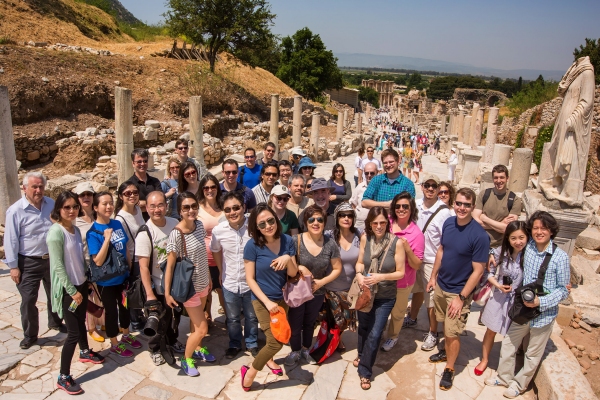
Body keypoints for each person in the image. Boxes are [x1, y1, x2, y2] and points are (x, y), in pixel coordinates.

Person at [486, 212, 570, 398]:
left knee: (532, 353)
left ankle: (519, 384)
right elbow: (508, 245)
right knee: (508, 343)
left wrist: (541, 301)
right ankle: (504, 377)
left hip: (544, 313)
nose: (539, 232)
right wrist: (492, 252)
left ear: (551, 230)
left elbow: (564, 290)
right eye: (536, 228)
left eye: (544, 228)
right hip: (523, 308)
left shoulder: (560, 257)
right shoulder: (529, 246)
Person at [426, 188, 489, 391]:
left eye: (467, 205)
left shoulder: (480, 235)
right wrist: (433, 277)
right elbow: (442, 251)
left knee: (452, 333)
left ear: (473, 207)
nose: (462, 208)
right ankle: (445, 351)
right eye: (459, 203)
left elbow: (478, 271)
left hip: (458, 291)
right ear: (454, 203)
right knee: (443, 322)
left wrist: (461, 298)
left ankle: (450, 368)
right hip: (441, 284)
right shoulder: (449, 223)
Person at [48, 192, 105, 394]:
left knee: (81, 322)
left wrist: (85, 282)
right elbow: (57, 266)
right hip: (68, 290)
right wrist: (72, 291)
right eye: (67, 207)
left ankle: (84, 351)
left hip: (80, 285)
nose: (72, 211)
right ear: (59, 209)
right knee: (72, 333)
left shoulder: (73, 229)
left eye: (74, 207)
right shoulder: (56, 233)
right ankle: (63, 376)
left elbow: (77, 260)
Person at [241, 204, 298, 391]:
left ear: (276, 219)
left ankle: (268, 360)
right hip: (262, 301)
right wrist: (267, 302)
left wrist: (288, 258)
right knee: (276, 341)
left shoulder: (287, 240)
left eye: (271, 220)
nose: (268, 226)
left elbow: (293, 273)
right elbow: (250, 279)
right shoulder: (252, 246)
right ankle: (249, 372)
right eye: (262, 224)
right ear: (256, 227)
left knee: (274, 336)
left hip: (282, 299)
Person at [5, 172, 65, 349]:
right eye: (34, 187)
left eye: (41, 186)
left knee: (55, 294)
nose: (38, 190)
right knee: (28, 300)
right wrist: (13, 267)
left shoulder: (51, 204)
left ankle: (55, 322)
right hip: (28, 262)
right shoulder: (15, 211)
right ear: (25, 188)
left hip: (51, 259)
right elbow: (11, 240)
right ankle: (30, 334)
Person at [353, 207, 406, 390]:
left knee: (375, 334)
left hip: (385, 296)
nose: (378, 226)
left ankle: (365, 371)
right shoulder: (365, 239)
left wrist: (380, 277)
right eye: (375, 222)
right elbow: (360, 262)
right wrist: (360, 275)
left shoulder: (396, 243)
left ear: (387, 223)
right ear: (369, 223)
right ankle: (361, 355)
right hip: (366, 292)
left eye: (382, 222)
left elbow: (401, 272)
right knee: (364, 328)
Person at [165, 192, 214, 377]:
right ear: (180, 210)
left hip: (203, 283)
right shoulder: (176, 235)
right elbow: (170, 266)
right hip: (189, 288)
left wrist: (208, 278)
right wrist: (168, 293)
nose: (191, 210)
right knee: (202, 328)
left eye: (194, 206)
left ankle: (198, 348)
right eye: (186, 207)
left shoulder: (200, 226)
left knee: (196, 324)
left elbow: (202, 255)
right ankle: (186, 359)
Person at [285, 205, 342, 366]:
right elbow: (290, 264)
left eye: (319, 219)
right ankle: (295, 350)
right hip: (298, 290)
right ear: (306, 222)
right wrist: (300, 268)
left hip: (317, 291)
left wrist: (321, 282)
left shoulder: (330, 244)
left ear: (324, 223)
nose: (315, 222)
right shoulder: (296, 240)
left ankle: (305, 348)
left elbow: (337, 268)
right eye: (311, 219)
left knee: (310, 322)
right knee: (295, 323)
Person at [87, 192, 141, 358]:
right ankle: (114, 343)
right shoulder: (93, 232)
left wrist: (131, 270)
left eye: (110, 203)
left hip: (123, 276)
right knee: (111, 312)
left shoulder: (117, 224)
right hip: (107, 281)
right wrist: (106, 238)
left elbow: (125, 248)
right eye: (104, 204)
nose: (109, 207)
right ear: (95, 207)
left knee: (125, 307)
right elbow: (98, 260)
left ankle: (125, 334)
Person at [403, 175, 453, 352]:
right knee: (416, 290)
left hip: (431, 260)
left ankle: (433, 332)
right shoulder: (414, 205)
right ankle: (413, 317)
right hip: (413, 257)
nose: (430, 189)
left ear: (438, 189)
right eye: (427, 185)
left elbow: (446, 241)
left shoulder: (445, 212)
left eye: (434, 186)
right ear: (422, 187)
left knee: (430, 299)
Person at [136, 191, 184, 366]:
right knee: (158, 318)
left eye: (160, 205)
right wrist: (149, 294)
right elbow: (143, 266)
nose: (157, 209)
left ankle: (172, 340)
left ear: (166, 205)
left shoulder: (174, 223)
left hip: (175, 281)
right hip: (157, 284)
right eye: (153, 206)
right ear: (147, 208)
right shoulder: (145, 233)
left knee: (174, 316)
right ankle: (155, 349)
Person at [474, 221, 527, 376]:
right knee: (491, 330)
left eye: (521, 237)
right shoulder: (500, 252)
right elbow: (487, 272)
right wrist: (497, 285)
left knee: (513, 334)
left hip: (518, 300)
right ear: (508, 239)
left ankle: (508, 363)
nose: (518, 242)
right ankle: (484, 359)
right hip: (499, 297)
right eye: (513, 238)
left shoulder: (530, 255)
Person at [211, 192, 259, 359]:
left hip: (251, 283)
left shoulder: (254, 227)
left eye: (236, 208)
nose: (232, 212)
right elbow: (216, 250)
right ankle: (235, 344)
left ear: (243, 207)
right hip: (230, 281)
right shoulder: (219, 231)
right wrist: (221, 270)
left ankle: (252, 342)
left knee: (252, 316)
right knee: (232, 318)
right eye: (228, 209)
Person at [381, 192, 424, 352]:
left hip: (402, 282)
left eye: (405, 206)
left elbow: (416, 264)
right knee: (381, 309)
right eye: (398, 206)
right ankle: (379, 332)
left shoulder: (416, 234)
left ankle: (392, 336)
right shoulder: (387, 224)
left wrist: (407, 248)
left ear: (411, 209)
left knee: (398, 312)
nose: (401, 209)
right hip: (383, 278)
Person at [325, 203, 361, 349]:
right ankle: (333, 342)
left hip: (350, 289)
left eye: (349, 215)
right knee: (334, 320)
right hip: (331, 287)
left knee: (346, 320)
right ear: (336, 217)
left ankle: (335, 339)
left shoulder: (359, 234)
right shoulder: (329, 236)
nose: (346, 218)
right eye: (342, 215)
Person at [73, 182, 105, 343]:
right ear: (77, 198)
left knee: (101, 295)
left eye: (89, 194)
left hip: (102, 263)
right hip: (85, 264)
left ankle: (102, 322)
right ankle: (91, 328)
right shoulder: (75, 221)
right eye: (82, 195)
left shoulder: (98, 215)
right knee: (89, 298)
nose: (86, 197)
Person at [114, 180, 146, 332]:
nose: (132, 195)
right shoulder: (120, 219)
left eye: (135, 192)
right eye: (128, 193)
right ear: (121, 196)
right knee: (133, 289)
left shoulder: (138, 209)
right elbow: (122, 245)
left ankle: (140, 314)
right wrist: (129, 265)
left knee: (141, 288)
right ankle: (135, 319)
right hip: (133, 259)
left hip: (143, 255)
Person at [197, 174, 226, 323]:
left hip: (224, 258)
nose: (210, 190)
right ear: (202, 189)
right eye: (206, 187)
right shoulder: (197, 209)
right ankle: (207, 317)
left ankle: (229, 318)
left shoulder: (224, 206)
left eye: (213, 187)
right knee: (206, 291)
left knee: (222, 290)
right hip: (204, 259)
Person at [473, 165, 522, 249]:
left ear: (507, 178)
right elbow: (475, 221)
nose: (499, 181)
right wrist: (500, 224)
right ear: (493, 179)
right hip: (479, 242)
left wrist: (484, 218)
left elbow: (507, 229)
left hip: (499, 246)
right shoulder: (484, 194)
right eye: (496, 178)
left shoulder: (514, 200)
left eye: (502, 177)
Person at [128, 148, 162, 220]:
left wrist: (144, 204)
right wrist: (152, 205)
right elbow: (131, 206)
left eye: (145, 161)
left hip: (156, 221)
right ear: (133, 164)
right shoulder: (129, 184)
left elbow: (160, 201)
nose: (142, 164)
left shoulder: (155, 182)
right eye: (139, 162)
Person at [350, 162, 377, 230]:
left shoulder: (381, 188)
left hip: (376, 224)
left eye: (372, 173)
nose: (369, 175)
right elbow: (353, 203)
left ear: (377, 173)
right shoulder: (360, 187)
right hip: (360, 224)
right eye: (366, 173)